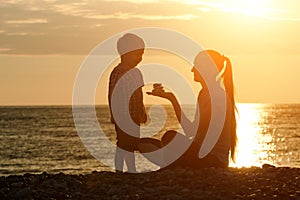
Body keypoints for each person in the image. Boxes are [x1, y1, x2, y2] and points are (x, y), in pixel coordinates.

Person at [138, 49, 237, 169]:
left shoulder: (216, 96)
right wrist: (171, 98)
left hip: (213, 160)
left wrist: (173, 100)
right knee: (144, 144)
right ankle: (173, 163)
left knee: (169, 137)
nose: (192, 69)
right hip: (200, 153)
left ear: (208, 70)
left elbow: (191, 131)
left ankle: (172, 165)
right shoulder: (204, 93)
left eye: (197, 66)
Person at [108, 33, 147, 172]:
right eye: (137, 54)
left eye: (141, 54)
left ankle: (131, 168)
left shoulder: (137, 73)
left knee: (132, 143)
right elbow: (112, 94)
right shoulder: (118, 72)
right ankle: (119, 169)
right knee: (123, 143)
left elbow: (139, 94)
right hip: (122, 115)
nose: (140, 58)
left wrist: (142, 111)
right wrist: (114, 114)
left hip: (134, 115)